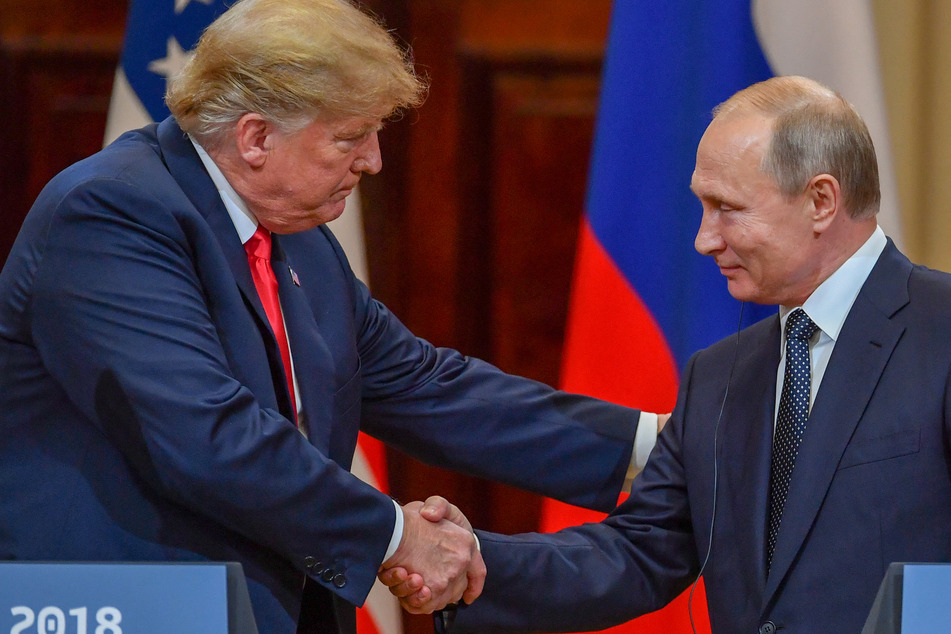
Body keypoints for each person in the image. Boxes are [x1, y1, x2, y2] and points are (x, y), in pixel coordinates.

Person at [0, 0, 664, 632]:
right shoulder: (110, 215)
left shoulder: (298, 238)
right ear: (255, 137)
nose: (371, 161)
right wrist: (397, 538)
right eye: (350, 137)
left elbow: (424, 387)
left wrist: (657, 446)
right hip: (128, 606)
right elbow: (207, 436)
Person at [389, 75, 951, 633]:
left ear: (821, 201)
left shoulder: (941, 331)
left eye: (727, 208)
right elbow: (638, 553)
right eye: (702, 207)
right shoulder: (722, 374)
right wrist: (472, 562)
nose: (705, 239)